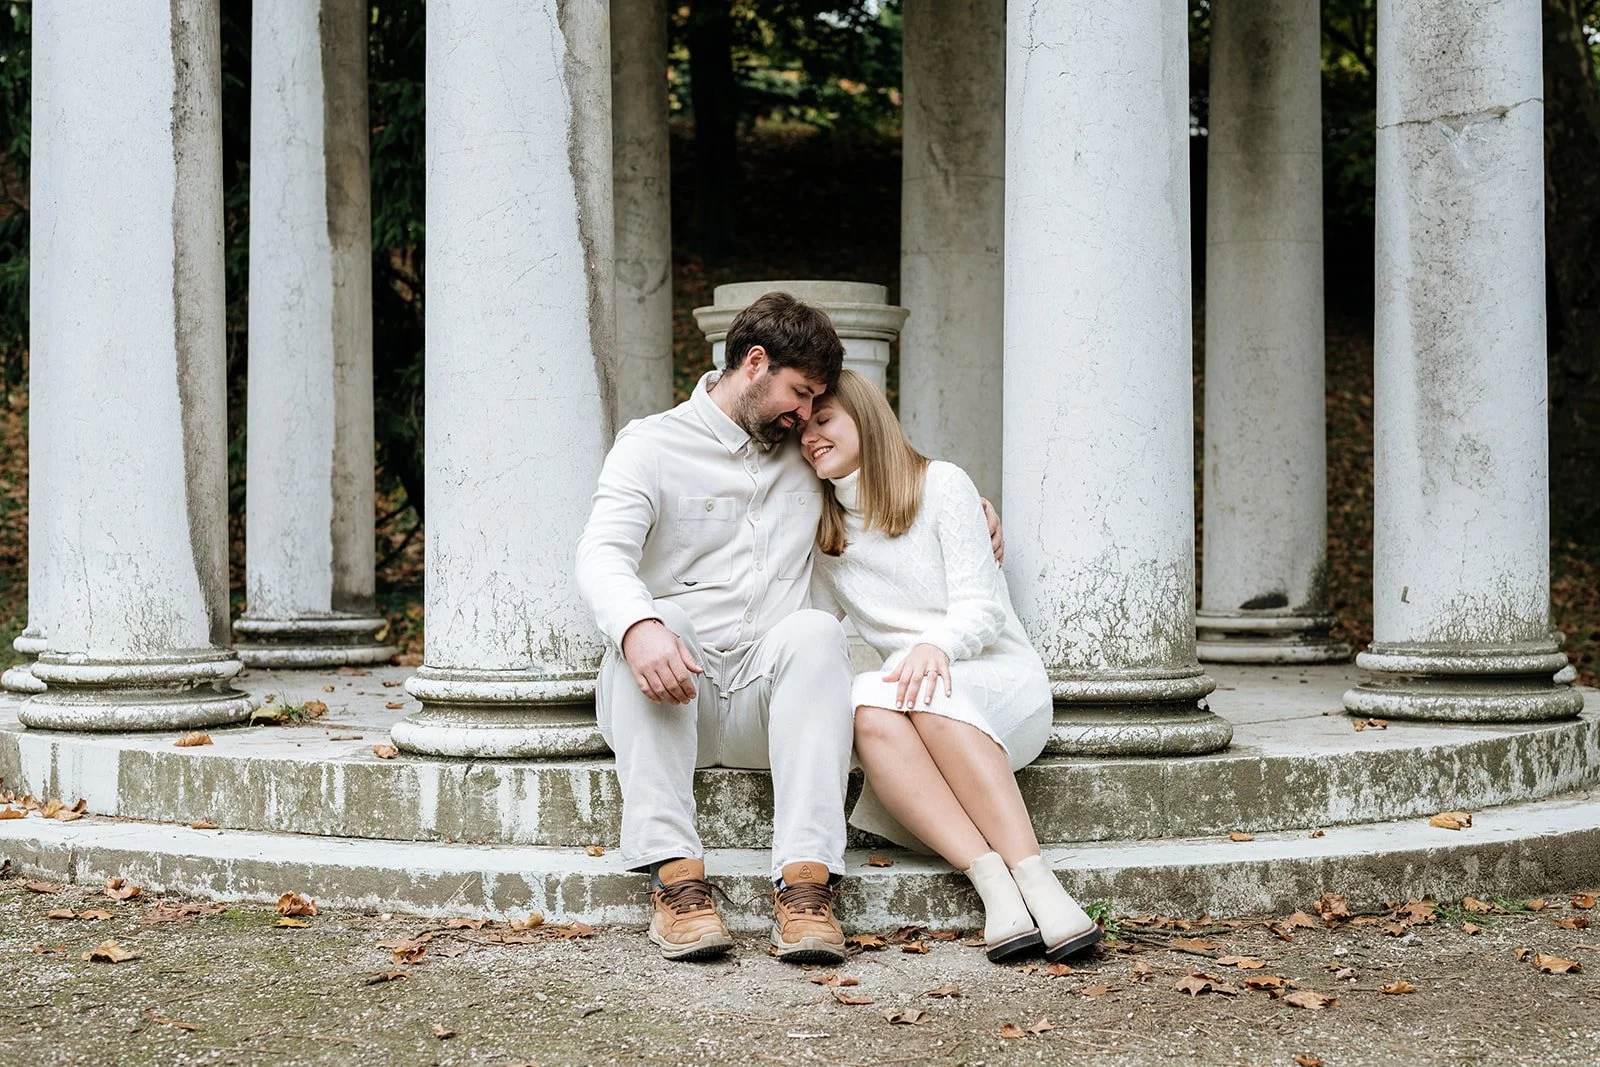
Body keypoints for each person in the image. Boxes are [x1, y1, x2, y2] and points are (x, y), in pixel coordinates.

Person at [575, 292, 858, 964]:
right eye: (799, 393)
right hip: (672, 698)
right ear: (754, 363)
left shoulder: (807, 453)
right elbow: (600, 554)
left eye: (816, 401)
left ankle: (806, 889)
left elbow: (898, 484)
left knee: (818, 632)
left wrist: (968, 506)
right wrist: (639, 626)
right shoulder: (650, 444)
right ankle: (676, 882)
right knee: (659, 615)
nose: (806, 414)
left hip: (769, 703)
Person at [800, 369, 1103, 964]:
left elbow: (981, 609)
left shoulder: (942, 486)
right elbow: (801, 618)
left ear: (865, 419)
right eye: (802, 431)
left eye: (824, 420)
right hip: (915, 703)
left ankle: (1040, 882)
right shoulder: (824, 533)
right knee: (867, 704)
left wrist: (934, 645)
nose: (810, 437)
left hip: (998, 682)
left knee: (915, 686)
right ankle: (994, 887)